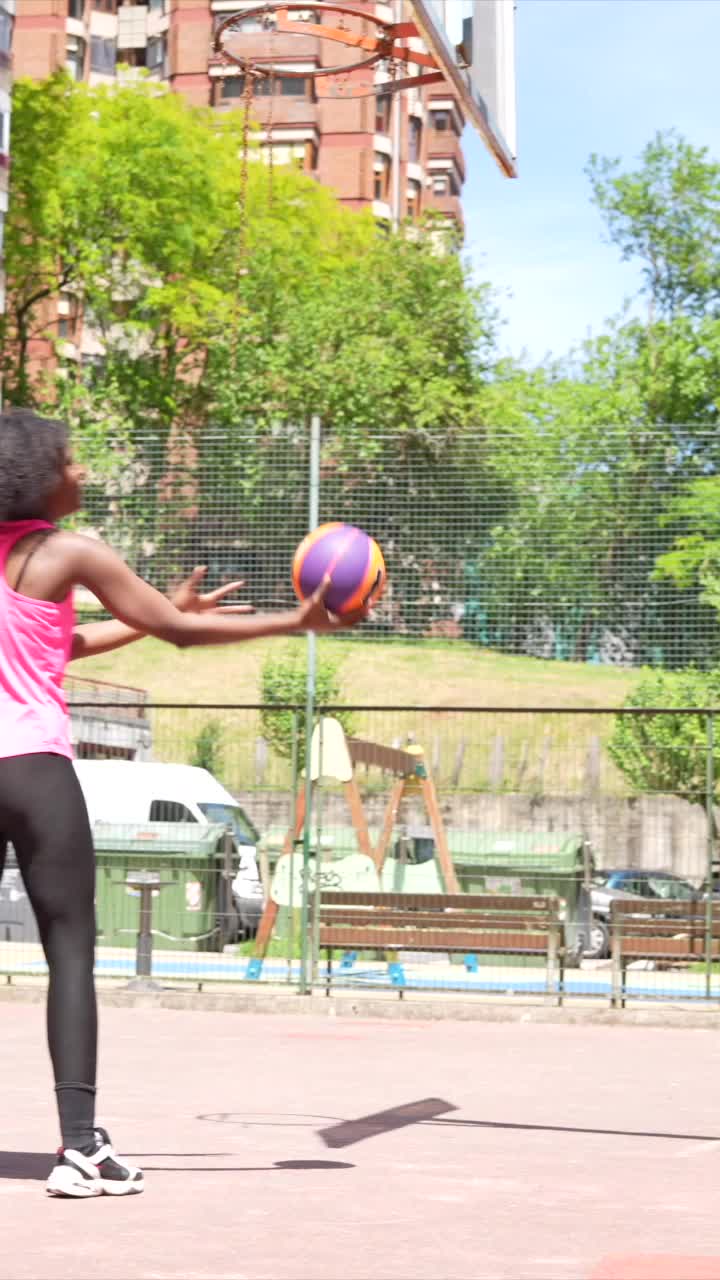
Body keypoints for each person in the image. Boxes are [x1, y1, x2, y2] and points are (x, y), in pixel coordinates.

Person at [0, 408, 364, 1199]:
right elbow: (179, 637)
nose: (81, 472)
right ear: (36, 477)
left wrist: (166, 612)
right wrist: (298, 621)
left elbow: (64, 645)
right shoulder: (64, 553)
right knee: (68, 948)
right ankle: (79, 1149)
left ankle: (82, 1147)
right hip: (29, 767)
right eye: (71, 461)